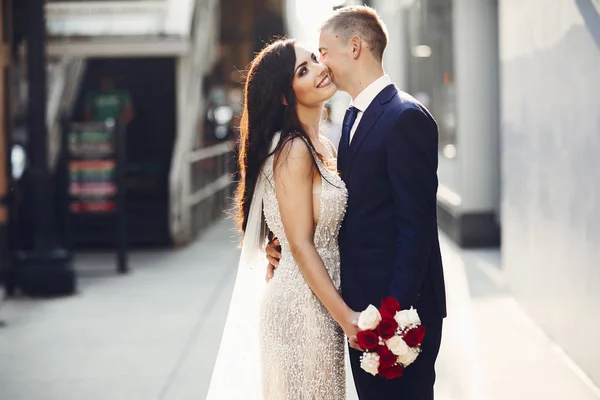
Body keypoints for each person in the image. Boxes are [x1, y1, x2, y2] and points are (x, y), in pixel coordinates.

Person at [266, 6, 447, 400]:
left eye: (322, 52)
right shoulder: (349, 121)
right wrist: (283, 239)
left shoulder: (405, 117)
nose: (321, 64)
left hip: (397, 316)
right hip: (360, 312)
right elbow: (347, 208)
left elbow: (415, 228)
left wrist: (393, 321)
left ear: (354, 47)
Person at [207, 39, 358, 399]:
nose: (320, 69)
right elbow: (301, 244)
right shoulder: (293, 149)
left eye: (314, 60)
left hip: (322, 301)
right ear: (285, 96)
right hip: (301, 306)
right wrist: (348, 320)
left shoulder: (324, 145)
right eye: (302, 70)